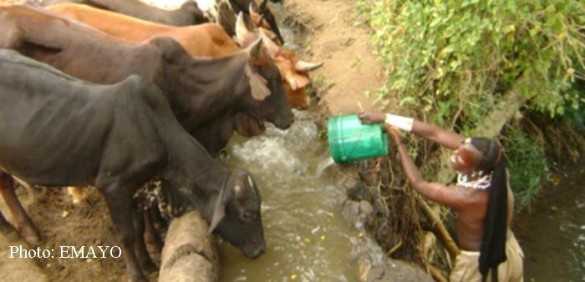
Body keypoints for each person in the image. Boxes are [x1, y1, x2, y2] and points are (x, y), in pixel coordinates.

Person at [358, 110, 524, 282]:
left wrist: (399, 143)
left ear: (475, 170)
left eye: (460, 158)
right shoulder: (494, 167)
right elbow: (435, 133)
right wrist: (386, 117)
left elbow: (419, 184)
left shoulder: (467, 197)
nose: (454, 155)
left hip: (480, 264)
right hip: (509, 251)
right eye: (459, 149)